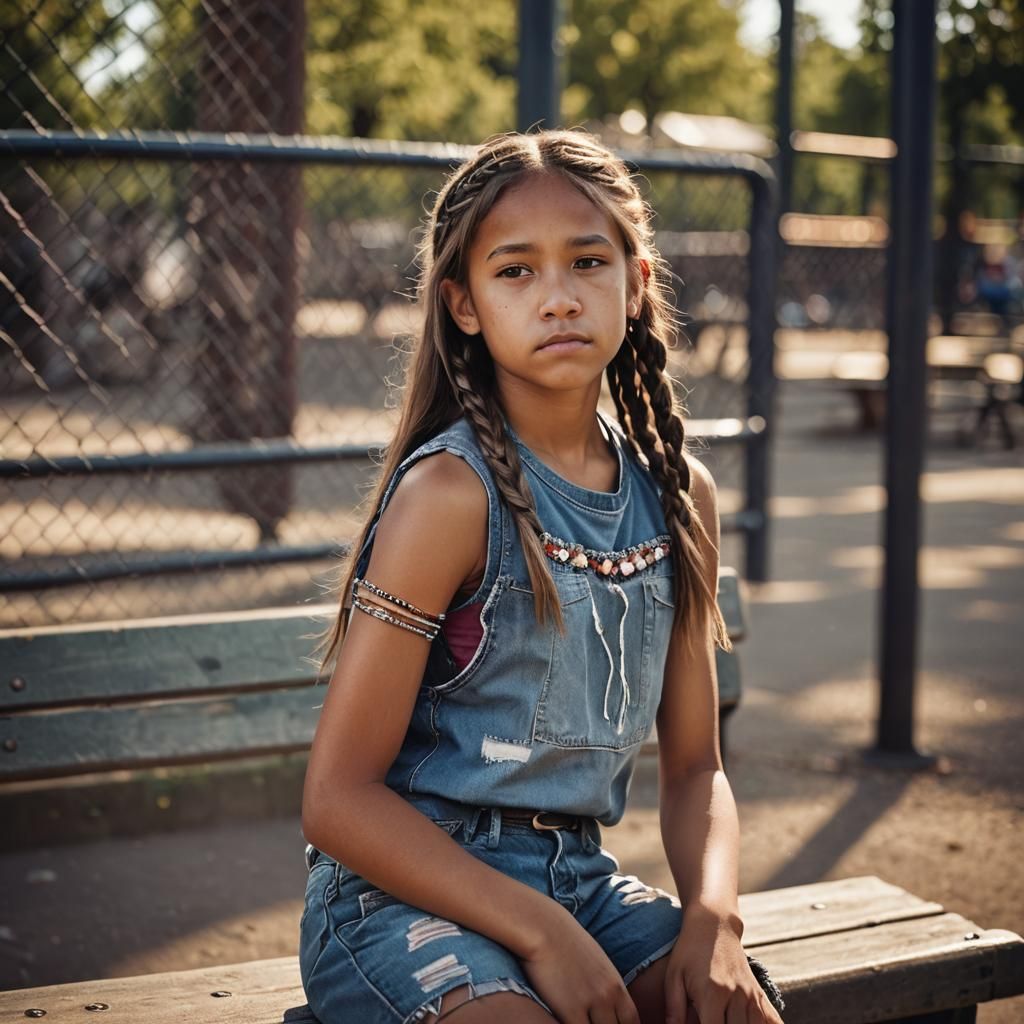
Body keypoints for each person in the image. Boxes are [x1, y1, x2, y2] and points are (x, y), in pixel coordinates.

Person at [299, 129, 786, 1024]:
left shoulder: (680, 498)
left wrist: (714, 920)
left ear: (638, 284)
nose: (558, 297)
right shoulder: (451, 493)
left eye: (588, 262)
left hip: (579, 882)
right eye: (515, 271)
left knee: (728, 1010)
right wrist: (539, 933)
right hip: (399, 898)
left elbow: (693, 771)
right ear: (465, 303)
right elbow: (337, 800)